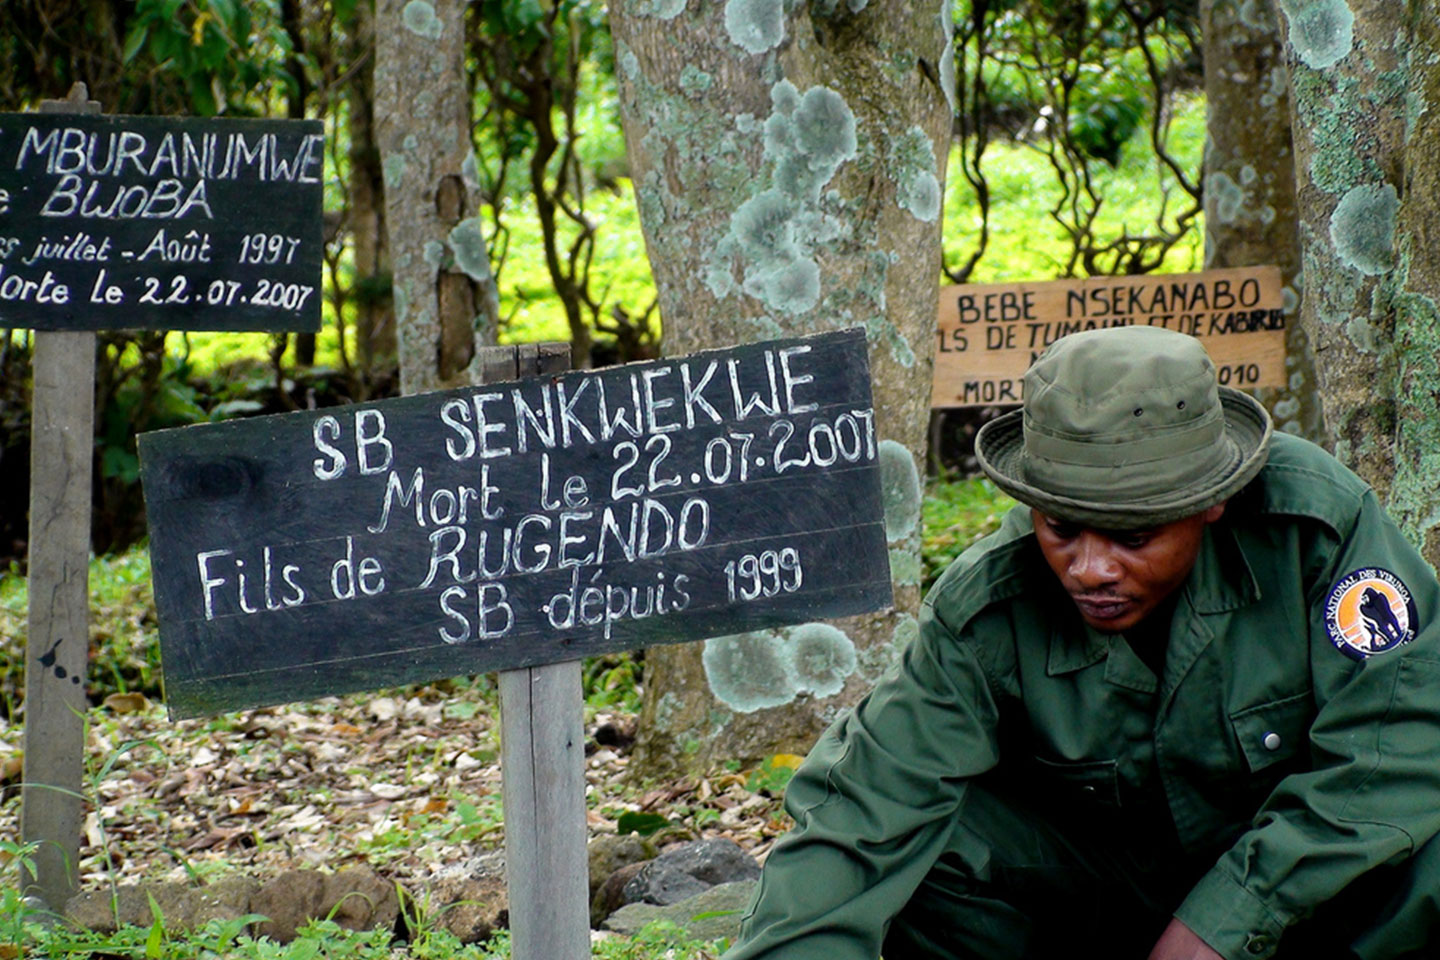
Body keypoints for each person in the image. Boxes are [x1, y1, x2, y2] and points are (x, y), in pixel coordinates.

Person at [724, 326, 1440, 960]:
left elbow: (1405, 741)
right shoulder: (987, 607)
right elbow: (860, 817)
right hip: (1106, 911)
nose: (1090, 569)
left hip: (1307, 905)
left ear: (1212, 501)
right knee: (936, 846)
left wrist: (1230, 916)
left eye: (1133, 536)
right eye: (1061, 528)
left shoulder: (1314, 533)